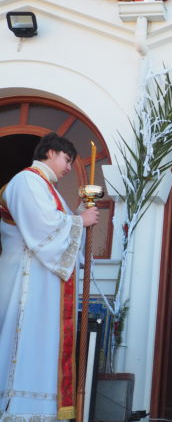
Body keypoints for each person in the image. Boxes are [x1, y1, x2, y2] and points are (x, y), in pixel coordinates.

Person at [0, 133, 99, 419]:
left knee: (41, 342)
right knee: (25, 339)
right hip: (25, 277)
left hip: (41, 279)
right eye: (67, 160)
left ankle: (40, 410)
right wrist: (79, 221)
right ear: (51, 153)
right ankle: (18, 410)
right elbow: (43, 226)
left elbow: (61, 225)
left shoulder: (46, 188)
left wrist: (78, 216)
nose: (68, 168)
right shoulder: (27, 180)